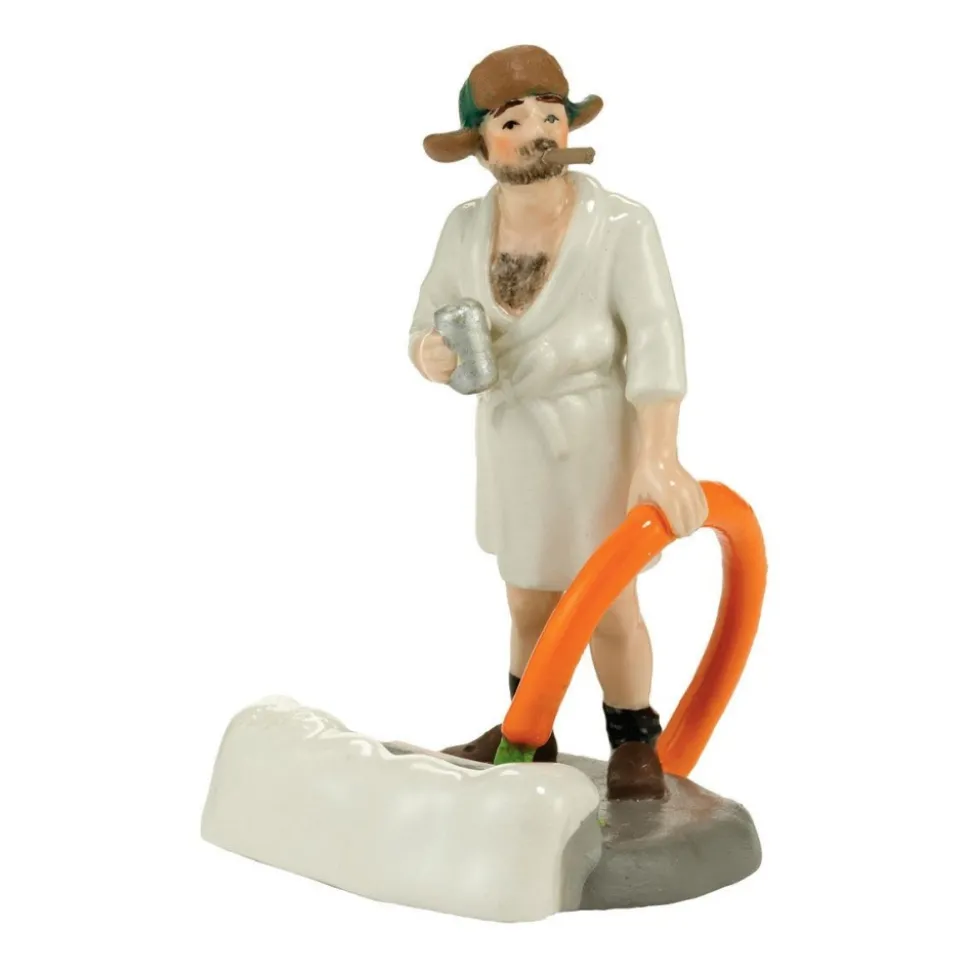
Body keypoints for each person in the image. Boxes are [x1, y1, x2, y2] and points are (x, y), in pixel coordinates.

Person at [410, 46, 707, 800]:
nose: (538, 133)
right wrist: (432, 352)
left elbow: (657, 340)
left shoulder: (621, 226)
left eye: (550, 116)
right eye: (514, 122)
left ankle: (633, 739)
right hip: (514, 441)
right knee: (526, 599)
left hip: (595, 439)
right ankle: (527, 732)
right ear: (482, 144)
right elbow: (424, 323)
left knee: (608, 602)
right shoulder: (464, 230)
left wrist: (660, 454)